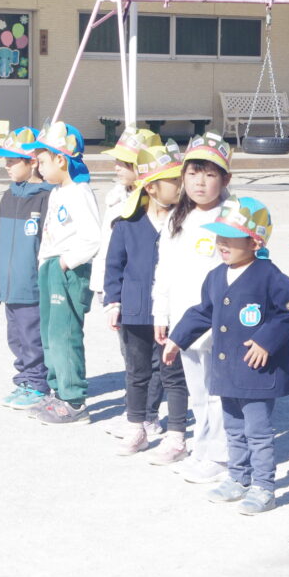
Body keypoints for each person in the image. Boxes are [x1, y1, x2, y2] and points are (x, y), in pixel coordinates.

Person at [162, 195, 289, 515]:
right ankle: (238, 477)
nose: (222, 243)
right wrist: (177, 339)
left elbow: (288, 313)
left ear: (255, 242)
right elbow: (202, 312)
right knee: (234, 429)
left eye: (231, 237)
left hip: (256, 373)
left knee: (258, 432)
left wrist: (266, 341)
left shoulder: (270, 276)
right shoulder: (216, 275)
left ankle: (264, 486)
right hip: (227, 372)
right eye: (219, 236)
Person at [152, 133, 232, 484]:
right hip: (185, 322)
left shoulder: (232, 217)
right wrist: (161, 313)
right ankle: (202, 449)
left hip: (219, 322)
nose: (200, 182)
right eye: (193, 173)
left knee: (218, 393)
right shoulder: (176, 218)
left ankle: (220, 456)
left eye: (210, 174)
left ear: (225, 179)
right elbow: (164, 270)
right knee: (198, 391)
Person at [104, 141, 191, 463]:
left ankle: (176, 435)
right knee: (136, 372)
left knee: (173, 373)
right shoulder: (126, 224)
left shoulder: (186, 222)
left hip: (173, 311)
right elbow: (114, 266)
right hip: (136, 309)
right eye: (174, 181)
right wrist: (113, 302)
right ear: (151, 188)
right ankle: (136, 428)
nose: (181, 186)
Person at [21, 120, 101, 424]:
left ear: (61, 159)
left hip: (69, 270)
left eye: (42, 160)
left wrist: (65, 263)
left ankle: (74, 400)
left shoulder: (79, 192)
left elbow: (92, 238)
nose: (38, 166)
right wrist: (46, 265)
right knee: (49, 334)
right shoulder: (57, 192)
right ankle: (58, 392)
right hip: (51, 267)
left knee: (64, 334)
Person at [93, 127, 165, 438]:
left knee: (154, 359)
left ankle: (148, 414)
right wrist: (107, 291)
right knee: (132, 357)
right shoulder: (117, 198)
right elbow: (110, 251)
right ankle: (134, 412)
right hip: (119, 288)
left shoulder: (160, 206)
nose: (117, 167)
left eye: (125, 162)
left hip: (151, 295)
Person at [0, 126, 54, 412]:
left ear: (32, 162)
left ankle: (38, 384)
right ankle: (24, 380)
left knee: (33, 337)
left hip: (32, 286)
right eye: (6, 161)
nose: (7, 166)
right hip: (10, 285)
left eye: (12, 161)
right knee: (16, 337)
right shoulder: (8, 197)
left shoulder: (46, 197)